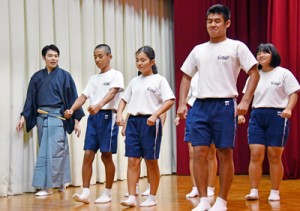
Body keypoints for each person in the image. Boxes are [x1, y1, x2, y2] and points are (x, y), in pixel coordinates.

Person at [176, 4, 260, 211]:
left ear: (227, 23)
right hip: (200, 106)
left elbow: (254, 73)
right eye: (209, 21)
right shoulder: (198, 50)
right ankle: (204, 198)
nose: (212, 25)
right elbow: (186, 76)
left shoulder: (237, 47)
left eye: (217, 21)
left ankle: (222, 200)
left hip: (224, 104)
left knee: (224, 153)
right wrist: (181, 104)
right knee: (199, 152)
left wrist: (245, 100)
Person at [16, 44, 85, 196]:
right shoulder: (37, 77)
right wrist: (23, 117)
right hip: (41, 118)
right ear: (44, 58)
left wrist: (76, 121)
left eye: (56, 56)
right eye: (50, 56)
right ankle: (56, 183)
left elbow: (73, 98)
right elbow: (30, 99)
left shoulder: (65, 76)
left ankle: (50, 186)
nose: (53, 58)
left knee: (57, 151)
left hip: (57, 117)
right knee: (45, 152)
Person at [64, 44, 124, 204]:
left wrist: (98, 105)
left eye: (100, 56)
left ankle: (108, 192)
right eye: (95, 57)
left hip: (107, 117)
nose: (97, 60)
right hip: (93, 119)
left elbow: (112, 93)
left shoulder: (116, 75)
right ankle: (85, 192)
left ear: (109, 56)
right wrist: (71, 109)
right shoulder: (93, 79)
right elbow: (83, 97)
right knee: (88, 154)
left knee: (106, 155)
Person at [117, 46, 175, 207]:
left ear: (152, 61)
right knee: (132, 160)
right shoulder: (134, 81)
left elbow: (170, 100)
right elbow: (123, 99)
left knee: (151, 161)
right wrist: (119, 114)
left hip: (150, 123)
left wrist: (155, 114)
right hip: (133, 123)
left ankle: (152, 196)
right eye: (137, 60)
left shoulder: (159, 80)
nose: (139, 63)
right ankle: (131, 197)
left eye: (143, 60)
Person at [240, 43, 300, 201]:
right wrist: (241, 112)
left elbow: (294, 93)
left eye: (265, 52)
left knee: (274, 156)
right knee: (256, 154)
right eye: (258, 53)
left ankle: (275, 191)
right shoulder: (254, 75)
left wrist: (289, 108)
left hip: (277, 116)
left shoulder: (283, 74)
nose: (261, 55)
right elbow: (247, 96)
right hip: (257, 115)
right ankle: (253, 190)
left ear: (273, 54)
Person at [174, 72, 217, 199]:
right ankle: (195, 187)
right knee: (193, 152)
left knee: (210, 153)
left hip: (211, 110)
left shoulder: (213, 72)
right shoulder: (192, 76)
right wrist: (178, 115)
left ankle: (210, 186)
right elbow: (187, 97)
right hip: (194, 111)